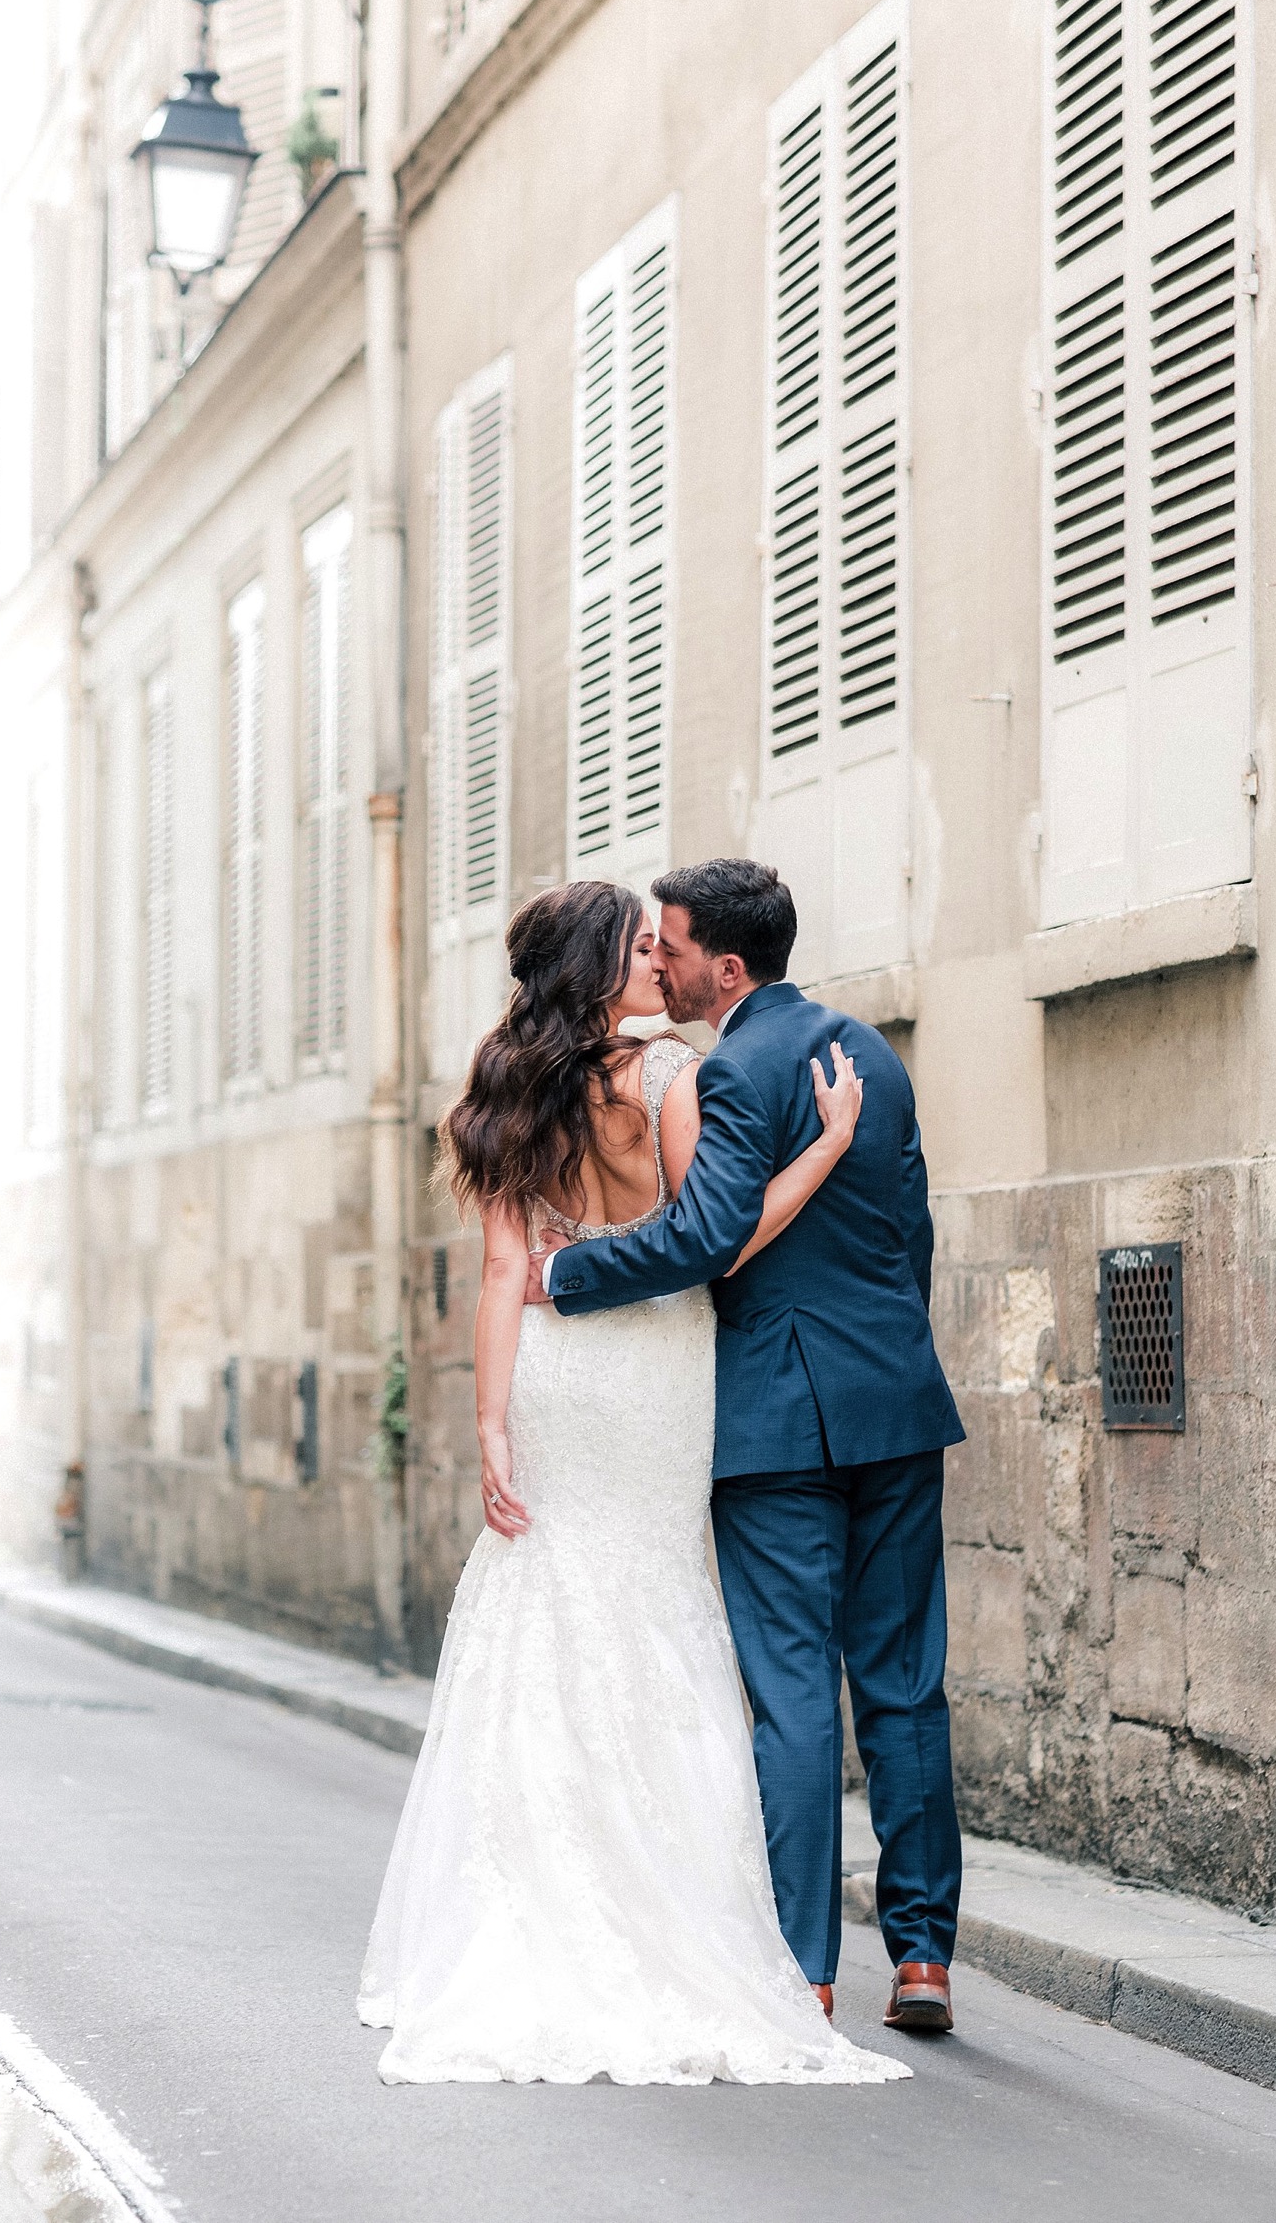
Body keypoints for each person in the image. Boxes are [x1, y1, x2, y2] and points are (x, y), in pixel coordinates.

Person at [358, 878, 908, 2089]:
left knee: (546, 1602)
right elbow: (715, 1242)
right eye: (642, 949)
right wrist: (819, 1151)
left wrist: (491, 1422)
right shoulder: (667, 1081)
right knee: (658, 1612)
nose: (662, 962)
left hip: (555, 1374)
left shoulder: (508, 1088)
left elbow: (506, 1271)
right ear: (607, 968)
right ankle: (665, 1900)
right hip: (657, 1370)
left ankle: (526, 1904)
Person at [532, 859, 966, 2036]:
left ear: (724, 966)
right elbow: (907, 1236)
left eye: (666, 946)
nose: (655, 962)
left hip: (774, 1421)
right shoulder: (868, 1056)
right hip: (894, 1406)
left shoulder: (729, 1071)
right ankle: (923, 1960)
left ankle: (805, 1973)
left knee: (790, 1699)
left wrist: (563, 1275)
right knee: (905, 1685)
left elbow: (707, 1234)